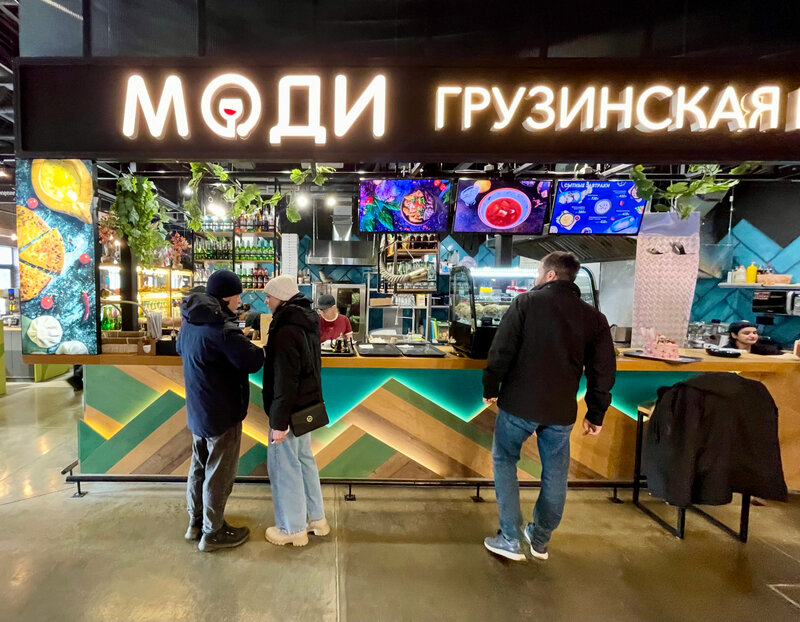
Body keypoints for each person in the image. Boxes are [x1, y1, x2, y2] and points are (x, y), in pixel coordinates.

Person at [482, 251, 616, 562]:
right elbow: (603, 371)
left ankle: (510, 538)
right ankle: (539, 541)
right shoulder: (594, 318)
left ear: (551, 275)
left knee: (505, 461)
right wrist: (596, 413)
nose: (536, 277)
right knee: (555, 474)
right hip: (561, 410)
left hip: (519, 404)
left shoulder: (525, 303)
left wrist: (490, 386)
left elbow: (501, 350)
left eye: (539, 272)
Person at [176, 270, 265, 553]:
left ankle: (196, 523)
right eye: (237, 296)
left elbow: (181, 348)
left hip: (198, 408)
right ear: (226, 298)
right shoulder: (222, 330)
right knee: (219, 473)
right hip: (222, 411)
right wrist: (260, 347)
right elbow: (252, 360)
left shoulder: (191, 320)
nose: (240, 301)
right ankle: (213, 533)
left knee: (200, 466)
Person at [262, 275, 329, 546]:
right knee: (303, 461)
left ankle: (292, 529)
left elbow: (285, 380)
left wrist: (278, 422)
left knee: (285, 467)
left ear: (280, 297)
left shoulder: (286, 329)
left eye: (269, 296)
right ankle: (316, 519)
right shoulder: (306, 321)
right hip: (305, 407)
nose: (266, 301)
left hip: (289, 412)